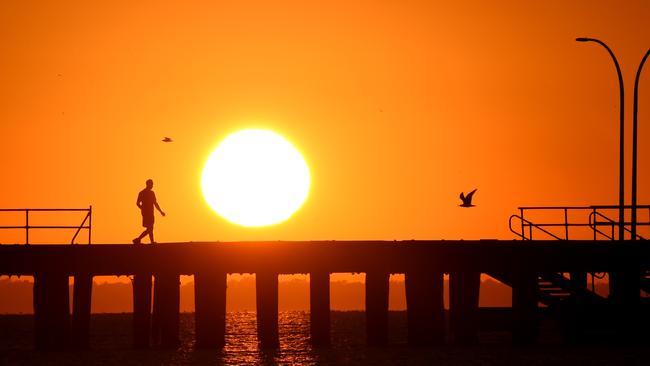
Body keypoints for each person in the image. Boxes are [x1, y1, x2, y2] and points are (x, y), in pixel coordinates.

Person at [133, 179, 165, 244]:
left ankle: (150, 241)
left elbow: (155, 203)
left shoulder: (152, 193)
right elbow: (137, 203)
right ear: (148, 184)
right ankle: (138, 239)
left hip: (151, 213)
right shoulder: (142, 193)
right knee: (150, 228)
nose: (152, 185)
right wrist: (142, 208)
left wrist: (160, 211)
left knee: (150, 228)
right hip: (146, 213)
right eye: (151, 184)